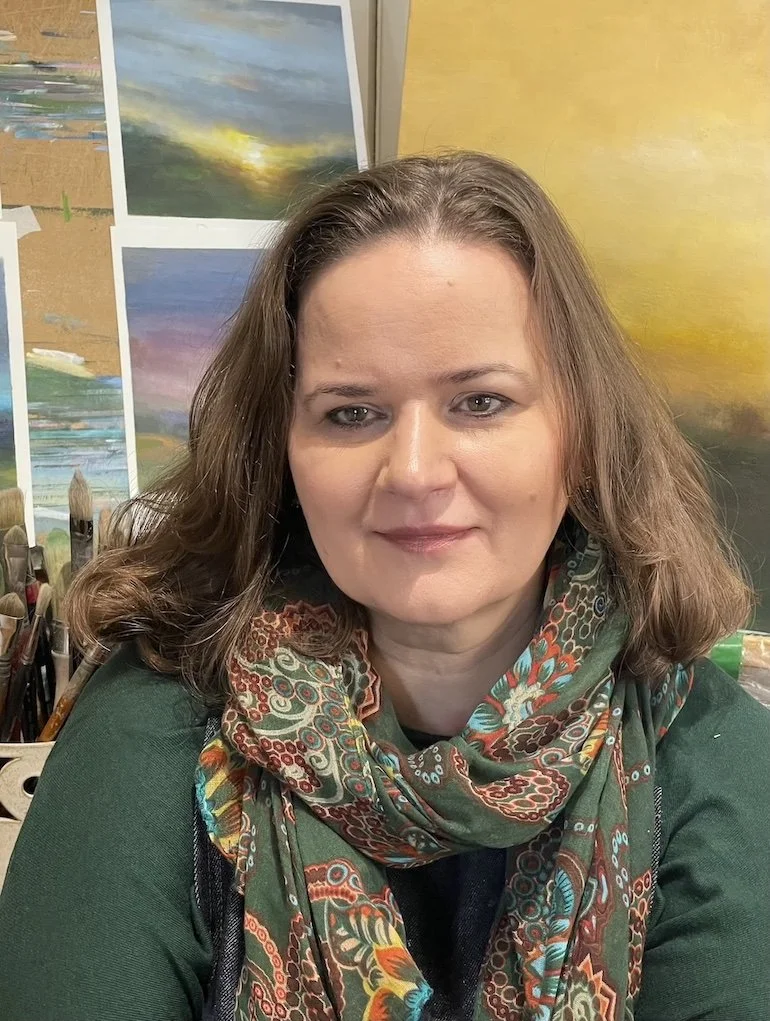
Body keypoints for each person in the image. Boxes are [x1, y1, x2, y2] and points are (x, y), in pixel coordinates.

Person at [1, 152, 768, 1021]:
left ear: (582, 431)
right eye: (351, 412)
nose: (411, 470)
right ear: (284, 451)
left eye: (479, 402)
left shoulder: (708, 751)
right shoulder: (153, 733)